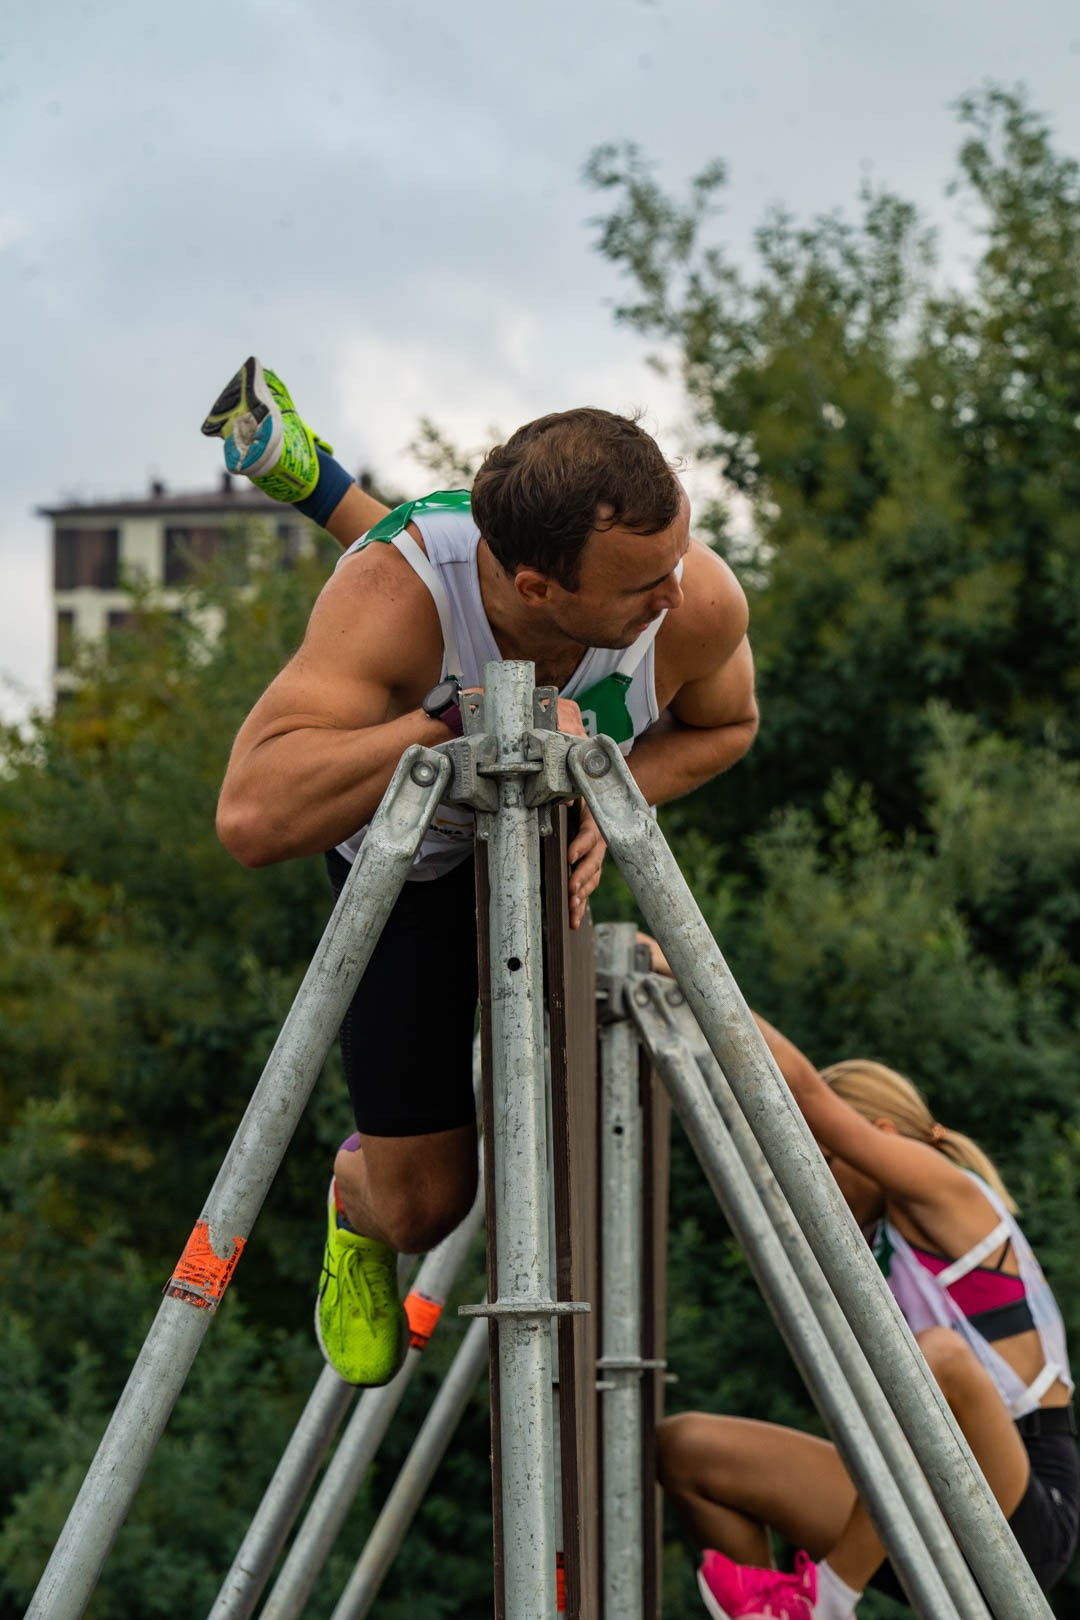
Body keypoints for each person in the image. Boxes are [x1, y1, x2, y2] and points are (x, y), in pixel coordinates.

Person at [202, 357, 759, 1387]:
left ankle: (307, 472)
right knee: (423, 1207)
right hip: (414, 861)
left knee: (551, 1159)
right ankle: (349, 1195)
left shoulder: (694, 603)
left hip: (536, 849)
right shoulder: (390, 597)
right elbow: (249, 815)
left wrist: (605, 788)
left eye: (679, 556)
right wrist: (454, 724)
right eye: (646, 582)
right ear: (545, 586)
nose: (677, 592)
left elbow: (728, 727)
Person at [659, 1015, 1078, 1619]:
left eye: (824, 1159)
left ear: (879, 1138)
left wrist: (680, 962)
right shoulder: (875, 1244)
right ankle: (783, 1608)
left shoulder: (946, 1193)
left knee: (938, 1356)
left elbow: (801, 1090)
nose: (811, 1183)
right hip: (930, 1497)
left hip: (1026, 1502)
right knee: (688, 1449)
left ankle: (825, 1599)